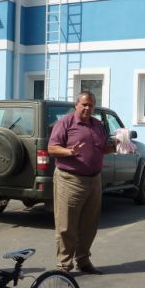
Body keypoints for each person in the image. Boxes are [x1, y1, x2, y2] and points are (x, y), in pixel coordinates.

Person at [48, 91, 115, 275]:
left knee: (89, 225)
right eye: (84, 104)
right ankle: (64, 266)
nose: (87, 108)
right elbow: (52, 148)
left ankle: (83, 261)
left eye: (91, 105)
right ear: (76, 105)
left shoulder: (98, 125)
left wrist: (118, 146)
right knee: (66, 225)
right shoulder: (65, 123)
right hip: (70, 179)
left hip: (94, 180)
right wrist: (70, 152)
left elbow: (102, 149)